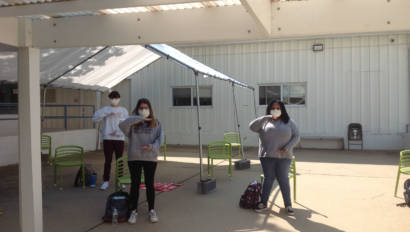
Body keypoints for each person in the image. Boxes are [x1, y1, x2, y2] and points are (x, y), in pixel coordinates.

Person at [249, 100, 300, 215]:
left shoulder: (289, 122)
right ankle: (263, 203)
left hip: (284, 156)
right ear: (269, 109)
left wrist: (288, 147)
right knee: (268, 179)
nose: (275, 110)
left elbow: (296, 136)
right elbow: (251, 127)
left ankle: (288, 205)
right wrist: (265, 117)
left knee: (283, 179)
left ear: (282, 110)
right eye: (273, 108)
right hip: (267, 156)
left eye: (278, 108)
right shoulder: (264, 122)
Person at [119, 98, 164, 224]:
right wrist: (138, 118)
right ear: (137, 109)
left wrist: (150, 147)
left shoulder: (156, 123)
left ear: (150, 109)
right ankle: (133, 211)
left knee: (149, 184)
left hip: (150, 157)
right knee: (135, 184)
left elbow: (160, 140)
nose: (144, 110)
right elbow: (121, 126)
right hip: (134, 157)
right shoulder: (132, 123)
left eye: (146, 108)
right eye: (141, 108)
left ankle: (152, 210)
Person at [92, 91, 128, 190]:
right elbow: (94, 119)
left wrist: (118, 133)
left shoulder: (123, 110)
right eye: (112, 98)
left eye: (116, 98)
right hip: (107, 138)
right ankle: (106, 181)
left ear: (119, 99)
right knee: (108, 160)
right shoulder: (105, 109)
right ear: (109, 99)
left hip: (119, 138)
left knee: (119, 160)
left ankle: (120, 181)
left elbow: (126, 124)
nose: (114, 100)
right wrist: (105, 115)